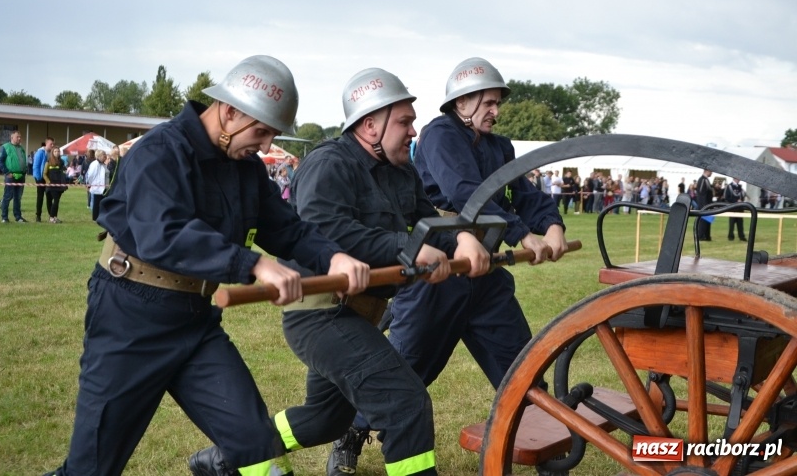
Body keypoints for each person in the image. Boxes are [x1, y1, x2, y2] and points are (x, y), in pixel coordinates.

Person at [43, 55, 370, 476]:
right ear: (230, 111)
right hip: (130, 320)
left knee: (257, 445)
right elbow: (163, 234)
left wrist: (334, 256)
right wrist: (253, 265)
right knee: (92, 468)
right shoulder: (160, 151)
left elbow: (288, 229)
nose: (268, 146)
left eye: (272, 134)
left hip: (197, 324)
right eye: (262, 131)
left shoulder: (246, 168)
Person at [189, 68, 489, 476]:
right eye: (404, 121)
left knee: (325, 420)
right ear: (370, 125)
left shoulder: (402, 170)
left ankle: (226, 459)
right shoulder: (327, 164)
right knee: (404, 402)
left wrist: (462, 239)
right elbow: (326, 232)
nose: (414, 131)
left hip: (362, 312)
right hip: (320, 313)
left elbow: (427, 223)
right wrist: (413, 250)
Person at [326, 57, 567, 476]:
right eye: (488, 102)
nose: (495, 110)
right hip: (439, 273)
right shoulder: (439, 135)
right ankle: (351, 430)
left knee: (519, 362)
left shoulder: (500, 146)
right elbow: (465, 192)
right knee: (404, 366)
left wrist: (552, 224)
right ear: (464, 101)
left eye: (497, 103)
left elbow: (522, 191)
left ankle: (545, 447)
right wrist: (521, 232)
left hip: (486, 274)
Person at [0, 130, 29, 223]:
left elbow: (23, 160)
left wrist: (25, 170)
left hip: (21, 176)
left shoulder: (21, 148)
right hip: (11, 176)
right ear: (12, 138)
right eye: (17, 137)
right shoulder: (5, 147)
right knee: (8, 196)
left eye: (20, 137)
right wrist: (7, 172)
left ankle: (18, 216)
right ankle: (4, 217)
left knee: (18, 197)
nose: (19, 138)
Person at [43, 146, 68, 223]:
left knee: (57, 201)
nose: (57, 153)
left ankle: (54, 217)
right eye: (55, 151)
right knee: (51, 201)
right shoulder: (48, 162)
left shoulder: (62, 162)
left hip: (59, 184)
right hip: (51, 185)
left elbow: (63, 172)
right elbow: (44, 174)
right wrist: (48, 182)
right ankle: (51, 217)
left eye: (58, 151)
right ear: (52, 153)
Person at [33, 137, 55, 222]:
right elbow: (36, 166)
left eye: (53, 144)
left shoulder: (51, 153)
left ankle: (51, 216)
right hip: (40, 178)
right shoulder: (40, 153)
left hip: (48, 178)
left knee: (49, 197)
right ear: (46, 144)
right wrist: (39, 178)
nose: (52, 146)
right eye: (51, 144)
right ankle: (38, 216)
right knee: (40, 197)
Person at [84, 149, 109, 221]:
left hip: (104, 187)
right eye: (104, 155)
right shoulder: (95, 164)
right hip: (97, 187)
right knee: (96, 203)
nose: (105, 157)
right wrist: (90, 184)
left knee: (102, 203)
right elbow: (90, 175)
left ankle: (101, 217)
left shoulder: (104, 165)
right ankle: (95, 218)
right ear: (99, 156)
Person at [696, 169, 714, 241]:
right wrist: (704, 205)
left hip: (708, 204)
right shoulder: (702, 180)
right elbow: (701, 193)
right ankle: (701, 235)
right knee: (703, 221)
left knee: (708, 220)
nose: (712, 173)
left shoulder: (706, 180)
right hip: (704, 204)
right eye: (711, 171)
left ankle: (707, 236)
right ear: (707, 171)